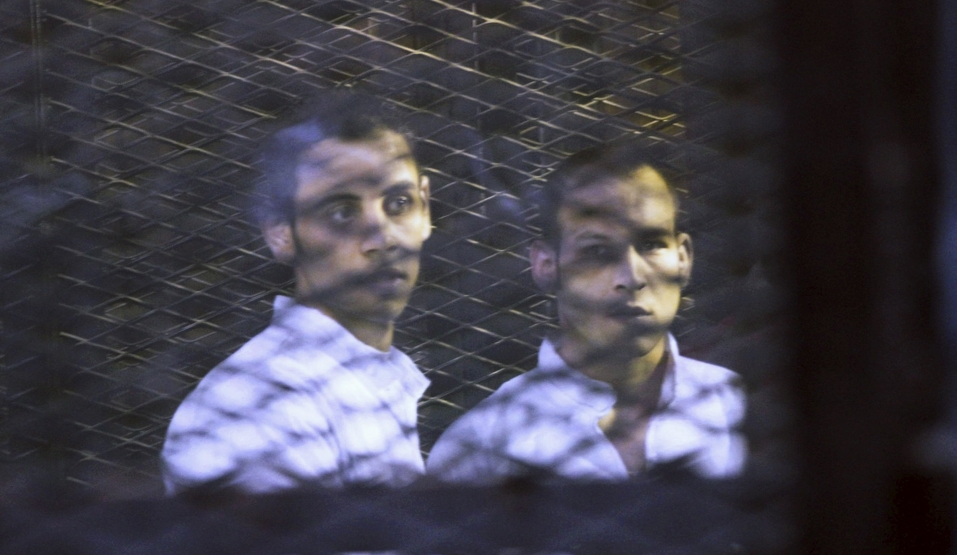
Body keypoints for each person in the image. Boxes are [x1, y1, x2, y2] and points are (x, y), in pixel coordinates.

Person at [161, 92, 433, 494]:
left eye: (398, 203)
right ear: (281, 233)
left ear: (426, 209)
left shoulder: (375, 379)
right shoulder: (256, 404)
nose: (382, 237)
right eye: (342, 212)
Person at [427, 144, 746, 483]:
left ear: (683, 258)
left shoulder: (741, 408)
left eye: (652, 244)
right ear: (547, 266)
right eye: (597, 251)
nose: (632, 277)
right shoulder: (482, 446)